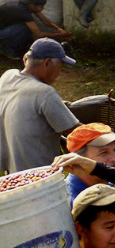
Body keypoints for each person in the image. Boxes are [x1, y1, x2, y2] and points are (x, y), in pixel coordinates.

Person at [0, 38, 80, 176]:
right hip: (39, 176)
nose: (59, 74)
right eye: (59, 67)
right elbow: (75, 132)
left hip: (11, 172)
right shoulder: (45, 93)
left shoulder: (8, 76)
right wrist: (106, 135)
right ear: (47, 63)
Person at [0, 0, 74, 59]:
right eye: (41, 7)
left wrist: (59, 29)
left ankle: (15, 45)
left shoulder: (26, 5)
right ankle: (6, 49)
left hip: (5, 27)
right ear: (32, 5)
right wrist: (61, 35)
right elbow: (39, 34)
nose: (42, 9)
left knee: (26, 28)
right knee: (25, 28)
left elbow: (45, 21)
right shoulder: (22, 11)